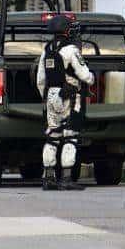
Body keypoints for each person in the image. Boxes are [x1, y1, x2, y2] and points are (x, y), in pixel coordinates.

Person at [37, 14, 94, 191]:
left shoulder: (46, 50)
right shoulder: (71, 50)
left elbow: (40, 79)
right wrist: (91, 79)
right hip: (70, 96)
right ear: (66, 30)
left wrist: (46, 97)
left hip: (51, 96)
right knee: (70, 136)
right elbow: (85, 76)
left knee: (52, 136)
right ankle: (67, 178)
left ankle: (49, 177)